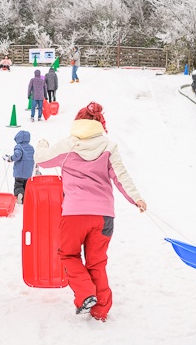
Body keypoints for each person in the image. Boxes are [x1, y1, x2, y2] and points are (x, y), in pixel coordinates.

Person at [34, 101, 146, 322]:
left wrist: (42, 143)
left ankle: (85, 294)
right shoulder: (109, 146)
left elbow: (42, 160)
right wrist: (137, 199)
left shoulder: (68, 145)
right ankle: (100, 310)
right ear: (99, 123)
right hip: (103, 217)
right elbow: (121, 177)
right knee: (97, 262)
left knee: (68, 255)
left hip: (74, 215)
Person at [2, 130, 34, 204]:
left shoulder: (18, 146)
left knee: (18, 184)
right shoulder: (31, 148)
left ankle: (19, 194)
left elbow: (17, 155)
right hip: (28, 172)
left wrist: (11, 158)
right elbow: (34, 158)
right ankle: (25, 198)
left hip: (19, 172)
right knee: (26, 186)